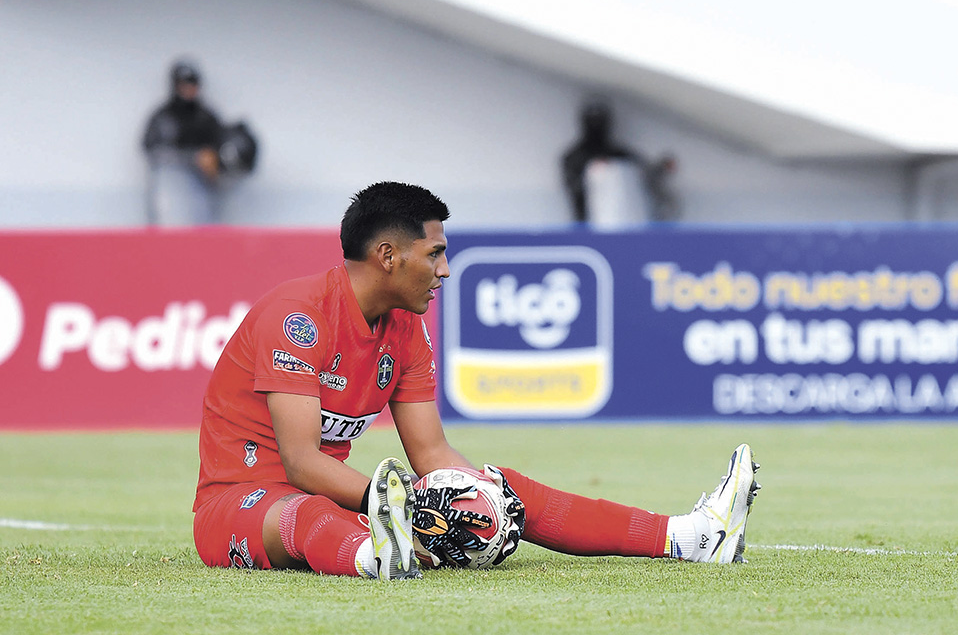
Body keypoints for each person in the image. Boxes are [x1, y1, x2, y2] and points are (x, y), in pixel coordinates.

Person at [191, 181, 761, 579]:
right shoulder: (298, 316)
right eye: (435, 253)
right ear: (388, 256)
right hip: (242, 504)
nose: (444, 270)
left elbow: (431, 451)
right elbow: (300, 463)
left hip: (341, 502)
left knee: (501, 488)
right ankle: (376, 556)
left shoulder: (407, 331)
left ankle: (689, 537)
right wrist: (400, 505)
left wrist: (480, 495)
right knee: (308, 513)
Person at [142, 59, 226, 225]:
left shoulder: (206, 117)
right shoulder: (163, 116)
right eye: (183, 85)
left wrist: (216, 159)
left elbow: (220, 148)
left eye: (192, 85)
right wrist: (191, 158)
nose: (189, 90)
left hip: (202, 190)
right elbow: (150, 149)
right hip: (171, 189)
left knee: (203, 229)